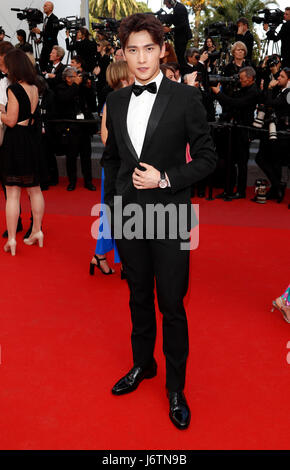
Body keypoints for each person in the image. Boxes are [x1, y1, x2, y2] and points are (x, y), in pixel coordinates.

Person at [102, 13, 217, 430]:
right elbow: (113, 158)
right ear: (123, 55)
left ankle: (175, 388)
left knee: (171, 302)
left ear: (163, 49)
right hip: (130, 215)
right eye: (132, 50)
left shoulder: (185, 98)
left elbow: (208, 158)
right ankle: (142, 365)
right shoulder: (115, 101)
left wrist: (165, 178)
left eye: (149, 48)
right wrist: (115, 207)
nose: (141, 58)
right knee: (137, 297)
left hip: (170, 213)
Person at [90, 61, 134, 276]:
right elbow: (106, 138)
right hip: (116, 167)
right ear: (124, 77)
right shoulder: (111, 102)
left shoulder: (132, 100)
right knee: (112, 213)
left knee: (122, 213)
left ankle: (107, 257)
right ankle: (107, 257)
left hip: (126, 167)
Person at [0, 49, 45, 255]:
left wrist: (0, 112)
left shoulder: (14, 89)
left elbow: (11, 120)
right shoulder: (35, 87)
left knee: (12, 193)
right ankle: (37, 231)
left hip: (16, 140)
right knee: (34, 189)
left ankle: (11, 239)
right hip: (31, 139)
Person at [211, 66, 260, 199]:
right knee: (229, 161)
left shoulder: (254, 91)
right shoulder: (242, 88)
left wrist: (219, 94)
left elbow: (237, 103)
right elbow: (230, 103)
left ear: (250, 79)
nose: (240, 81)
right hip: (234, 129)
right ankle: (228, 189)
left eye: (243, 79)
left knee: (242, 162)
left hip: (244, 130)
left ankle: (241, 191)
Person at [55, 67, 97, 191]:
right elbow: (64, 99)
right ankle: (72, 181)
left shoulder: (81, 87)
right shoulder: (60, 88)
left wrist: (89, 87)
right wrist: (76, 86)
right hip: (70, 128)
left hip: (84, 127)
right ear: (68, 78)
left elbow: (92, 103)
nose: (78, 78)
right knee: (71, 156)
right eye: (75, 76)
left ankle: (88, 181)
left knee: (86, 156)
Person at [255, 68, 290, 203]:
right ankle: (277, 187)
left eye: (282, 76)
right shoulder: (282, 91)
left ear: (289, 79)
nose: (278, 78)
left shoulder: (288, 93)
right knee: (267, 159)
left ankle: (277, 188)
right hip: (273, 130)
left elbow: (271, 104)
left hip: (281, 133)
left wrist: (269, 88)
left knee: (270, 160)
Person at [163, 0, 192, 69]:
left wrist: (170, 29)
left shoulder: (180, 8)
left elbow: (183, 24)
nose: (166, 6)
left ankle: (183, 74)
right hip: (180, 36)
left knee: (180, 58)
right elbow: (177, 20)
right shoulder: (177, 8)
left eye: (166, 4)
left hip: (182, 36)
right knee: (179, 57)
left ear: (171, 2)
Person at [32, 1, 59, 72]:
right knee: (42, 63)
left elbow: (52, 34)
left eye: (45, 6)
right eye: (44, 6)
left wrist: (40, 32)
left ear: (51, 8)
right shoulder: (45, 19)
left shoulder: (55, 19)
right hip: (45, 45)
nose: (43, 7)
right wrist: (40, 39)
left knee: (51, 65)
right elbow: (46, 31)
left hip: (52, 46)